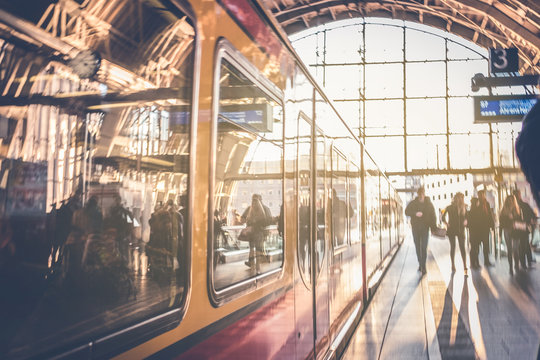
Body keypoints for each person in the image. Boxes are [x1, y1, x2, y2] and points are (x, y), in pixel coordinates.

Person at [405, 187, 436, 274]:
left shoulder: (429, 204)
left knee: (424, 247)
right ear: (418, 194)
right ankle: (420, 264)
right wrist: (415, 214)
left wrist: (433, 228)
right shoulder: (413, 203)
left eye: (422, 193)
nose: (421, 195)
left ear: (424, 194)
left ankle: (423, 266)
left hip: (425, 229)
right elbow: (406, 211)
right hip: (415, 229)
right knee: (418, 247)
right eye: (420, 194)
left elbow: (433, 216)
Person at [241, 194, 272, 273]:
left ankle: (252, 266)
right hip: (260, 232)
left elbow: (242, 219)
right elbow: (268, 221)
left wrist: (249, 223)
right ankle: (257, 268)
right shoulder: (265, 209)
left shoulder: (249, 208)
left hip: (252, 232)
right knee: (258, 250)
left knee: (252, 249)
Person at [467, 190, 494, 269]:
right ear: (478, 195)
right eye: (480, 195)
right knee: (476, 247)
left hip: (485, 228)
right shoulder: (475, 204)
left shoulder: (487, 204)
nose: (481, 196)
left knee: (486, 246)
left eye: (483, 195)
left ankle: (486, 261)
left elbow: (489, 215)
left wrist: (491, 225)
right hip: (476, 230)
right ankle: (474, 263)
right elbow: (472, 215)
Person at [442, 192, 468, 273]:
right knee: (452, 247)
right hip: (452, 230)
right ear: (455, 198)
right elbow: (442, 217)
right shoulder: (449, 207)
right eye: (459, 197)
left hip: (461, 230)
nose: (460, 199)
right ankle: (453, 264)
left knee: (462, 248)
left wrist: (466, 221)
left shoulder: (464, 207)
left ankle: (464, 266)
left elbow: (467, 217)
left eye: (462, 198)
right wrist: (447, 224)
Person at [513, 189, 536, 268]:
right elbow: (532, 214)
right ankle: (526, 261)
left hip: (519, 227)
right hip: (524, 226)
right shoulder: (524, 205)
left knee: (523, 245)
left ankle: (524, 261)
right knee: (524, 244)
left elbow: (532, 214)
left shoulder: (514, 206)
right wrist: (530, 221)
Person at [499, 194, 521, 275]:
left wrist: (514, 219)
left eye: (512, 200)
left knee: (515, 249)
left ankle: (516, 265)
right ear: (506, 201)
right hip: (507, 230)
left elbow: (520, 220)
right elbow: (501, 222)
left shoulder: (517, 209)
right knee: (509, 249)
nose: (510, 202)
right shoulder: (504, 210)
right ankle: (511, 267)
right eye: (509, 200)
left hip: (516, 231)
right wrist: (500, 234)